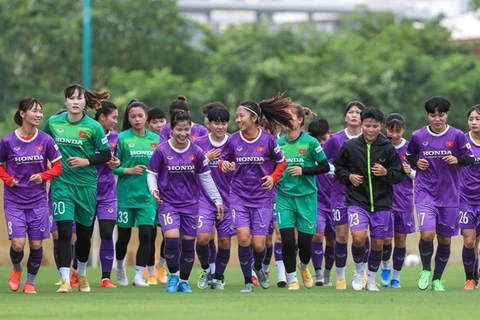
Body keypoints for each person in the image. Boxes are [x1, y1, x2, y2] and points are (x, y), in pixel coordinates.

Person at [219, 92, 293, 293]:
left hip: (262, 198)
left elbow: (281, 162)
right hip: (239, 196)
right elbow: (222, 159)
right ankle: (248, 282)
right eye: (237, 116)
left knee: (260, 245)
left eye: (241, 115)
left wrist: (273, 177)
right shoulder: (233, 140)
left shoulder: (268, 140)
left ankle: (259, 267)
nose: (238, 120)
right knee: (243, 238)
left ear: (254, 118)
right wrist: (224, 164)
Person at [44, 84, 112, 293]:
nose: (75, 101)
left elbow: (105, 154)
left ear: (85, 103)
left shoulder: (93, 126)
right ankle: (65, 280)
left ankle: (81, 273)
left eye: (79, 98)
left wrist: (86, 161)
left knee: (84, 235)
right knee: (64, 232)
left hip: (86, 186)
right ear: (65, 101)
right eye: (71, 97)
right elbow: (43, 145)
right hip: (62, 185)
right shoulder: (53, 123)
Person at [146, 111, 224, 293]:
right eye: (179, 129)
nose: (183, 133)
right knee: (172, 240)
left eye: (186, 130)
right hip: (168, 204)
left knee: (189, 244)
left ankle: (183, 281)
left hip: (191, 204)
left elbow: (205, 177)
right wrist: (154, 190)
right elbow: (151, 173)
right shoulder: (162, 150)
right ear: (171, 130)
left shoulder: (196, 152)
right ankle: (173, 276)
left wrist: (217, 200)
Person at [406, 96, 474, 291]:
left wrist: (457, 160)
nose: (437, 118)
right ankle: (426, 269)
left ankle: (437, 279)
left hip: (450, 195)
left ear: (447, 115)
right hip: (425, 192)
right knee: (427, 233)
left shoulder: (457, 135)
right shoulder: (418, 136)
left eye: (441, 115)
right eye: (432, 115)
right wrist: (415, 163)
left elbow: (469, 158)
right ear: (427, 115)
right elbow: (410, 155)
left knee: (445, 239)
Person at [334, 107, 405, 291]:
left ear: (381, 126)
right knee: (358, 238)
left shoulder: (388, 148)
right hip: (357, 202)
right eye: (367, 125)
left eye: (375, 126)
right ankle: (359, 271)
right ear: (361, 124)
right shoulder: (350, 147)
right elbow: (338, 169)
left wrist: (386, 172)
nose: (371, 130)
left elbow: (399, 175)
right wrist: (349, 177)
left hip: (382, 203)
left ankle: (372, 280)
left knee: (378, 242)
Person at [0, 98, 62, 294]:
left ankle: (29, 282)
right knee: (18, 244)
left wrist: (43, 176)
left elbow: (59, 167)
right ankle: (17, 269)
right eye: (34, 111)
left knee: (36, 243)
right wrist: (8, 179)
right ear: (22, 113)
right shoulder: (8, 141)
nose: (39, 115)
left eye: (40, 111)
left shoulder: (46, 140)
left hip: (38, 201)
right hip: (14, 201)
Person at [276, 104, 330, 290]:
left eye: (290, 116)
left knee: (306, 244)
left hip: (306, 198)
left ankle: (304, 267)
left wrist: (303, 170)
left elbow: (324, 166)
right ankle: (292, 279)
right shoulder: (278, 143)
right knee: (288, 241)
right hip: (284, 197)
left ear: (300, 120)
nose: (287, 119)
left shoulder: (310, 143)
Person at [114, 100, 159, 287]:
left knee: (147, 235)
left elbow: (161, 167)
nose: (137, 119)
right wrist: (127, 170)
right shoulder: (122, 138)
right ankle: (120, 268)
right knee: (123, 237)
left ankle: (139, 275)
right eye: (133, 116)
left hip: (148, 197)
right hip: (126, 196)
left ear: (146, 117)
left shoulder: (156, 140)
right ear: (128, 118)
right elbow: (113, 167)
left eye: (140, 115)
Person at [322, 101, 366, 290]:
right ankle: (340, 277)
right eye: (351, 112)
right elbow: (322, 160)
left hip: (363, 195)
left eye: (358, 112)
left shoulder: (370, 138)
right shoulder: (336, 139)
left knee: (361, 236)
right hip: (339, 194)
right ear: (345, 116)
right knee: (341, 236)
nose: (354, 115)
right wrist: (333, 169)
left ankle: (361, 273)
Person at [194, 107, 235, 290]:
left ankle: (218, 277)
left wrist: (233, 165)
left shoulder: (234, 142)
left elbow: (244, 164)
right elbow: (187, 165)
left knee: (225, 241)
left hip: (229, 199)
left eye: (224, 123)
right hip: (204, 198)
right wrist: (205, 158)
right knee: (203, 238)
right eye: (216, 122)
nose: (220, 127)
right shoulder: (199, 143)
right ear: (208, 123)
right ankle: (205, 269)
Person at [380, 113, 416, 289]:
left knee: (400, 240)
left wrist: (410, 171)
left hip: (404, 201)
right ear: (385, 128)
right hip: (385, 199)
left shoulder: (410, 149)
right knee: (386, 239)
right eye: (391, 130)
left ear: (403, 130)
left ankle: (396, 277)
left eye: (398, 131)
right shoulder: (381, 147)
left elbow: (420, 176)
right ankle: (385, 268)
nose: (394, 135)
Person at [93, 101, 121, 288]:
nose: (116, 121)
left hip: (108, 193)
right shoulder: (88, 133)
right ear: (102, 117)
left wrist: (116, 163)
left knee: (106, 232)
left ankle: (106, 278)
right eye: (114, 117)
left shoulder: (115, 137)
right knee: (82, 234)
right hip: (86, 191)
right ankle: (76, 272)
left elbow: (117, 160)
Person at [308, 119, 335, 286]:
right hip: (316, 201)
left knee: (333, 241)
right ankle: (318, 272)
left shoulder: (336, 146)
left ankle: (327, 274)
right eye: (318, 139)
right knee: (317, 235)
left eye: (324, 138)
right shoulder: (311, 149)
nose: (322, 142)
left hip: (336, 200)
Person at [458, 105, 480, 290]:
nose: (474, 122)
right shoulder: (462, 141)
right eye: (471, 119)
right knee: (470, 241)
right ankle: (470, 278)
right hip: (465, 200)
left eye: (478, 119)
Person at [146, 106, 168, 285]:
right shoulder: (147, 140)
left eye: (162, 121)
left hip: (168, 193)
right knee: (149, 234)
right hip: (149, 194)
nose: (159, 125)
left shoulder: (171, 141)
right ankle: (150, 271)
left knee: (169, 233)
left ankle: (161, 264)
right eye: (154, 122)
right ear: (148, 124)